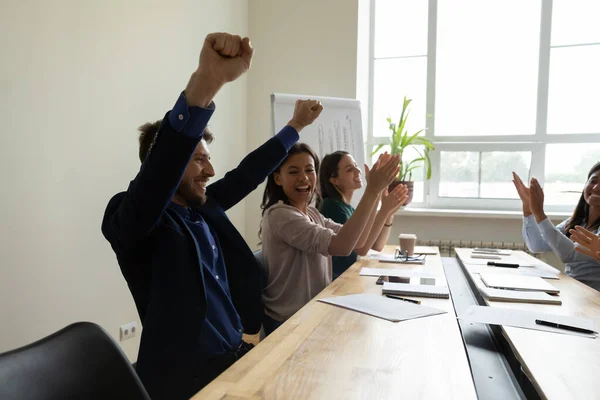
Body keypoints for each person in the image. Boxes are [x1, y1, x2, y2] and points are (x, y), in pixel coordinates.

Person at [101, 32, 323, 400]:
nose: (210, 170)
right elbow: (155, 181)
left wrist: (295, 128)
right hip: (186, 383)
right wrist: (206, 85)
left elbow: (248, 173)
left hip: (236, 358)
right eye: (199, 159)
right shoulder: (133, 219)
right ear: (167, 164)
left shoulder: (204, 206)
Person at [259, 146, 401, 335]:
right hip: (288, 322)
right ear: (277, 179)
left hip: (311, 313)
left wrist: (377, 192)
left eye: (309, 170)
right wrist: (372, 191)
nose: (303, 177)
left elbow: (359, 244)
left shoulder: (312, 213)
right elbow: (342, 247)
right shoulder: (280, 215)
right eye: (293, 172)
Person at [319, 151, 408, 279]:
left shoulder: (347, 207)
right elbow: (362, 248)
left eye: (356, 165)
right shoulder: (333, 207)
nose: (357, 170)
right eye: (349, 169)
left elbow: (377, 245)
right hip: (338, 281)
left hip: (348, 277)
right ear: (335, 180)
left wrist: (388, 213)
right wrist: (383, 209)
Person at [512, 162, 600, 291]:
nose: (596, 187)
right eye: (593, 181)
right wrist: (528, 209)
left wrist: (539, 213)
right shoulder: (576, 221)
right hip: (573, 291)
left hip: (593, 299)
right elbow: (537, 245)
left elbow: (570, 255)